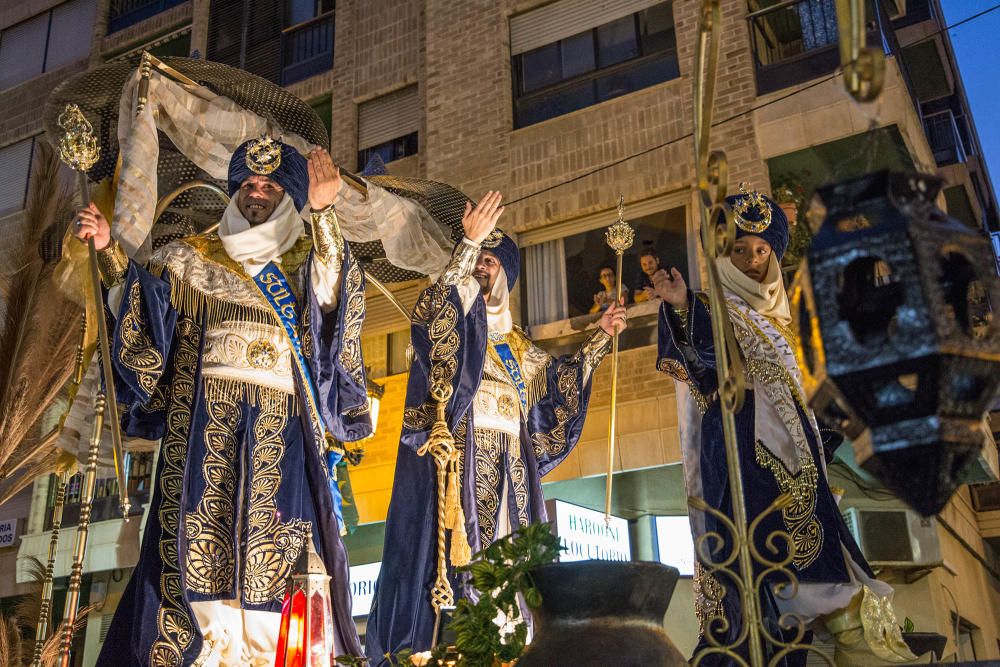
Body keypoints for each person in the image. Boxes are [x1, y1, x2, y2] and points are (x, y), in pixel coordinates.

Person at [75, 137, 370, 666]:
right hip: (203, 430)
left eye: (272, 184)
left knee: (278, 565)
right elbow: (149, 312)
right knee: (191, 554)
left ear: (290, 194)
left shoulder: (308, 261)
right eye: (250, 184)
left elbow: (334, 313)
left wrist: (325, 213)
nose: (258, 193)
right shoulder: (190, 258)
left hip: (281, 435)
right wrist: (109, 253)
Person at [652, 188, 918, 666]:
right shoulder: (714, 308)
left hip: (800, 465)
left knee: (817, 566)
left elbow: (812, 401)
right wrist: (680, 307)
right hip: (743, 453)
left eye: (761, 250)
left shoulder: (785, 323)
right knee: (760, 568)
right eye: (738, 250)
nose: (752, 261)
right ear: (723, 255)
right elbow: (707, 364)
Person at [363, 191, 627, 665]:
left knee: (510, 561)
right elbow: (432, 318)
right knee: (456, 562)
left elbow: (555, 394)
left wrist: (600, 340)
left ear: (505, 273)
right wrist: (466, 244)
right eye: (478, 260)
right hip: (455, 467)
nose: (482, 267)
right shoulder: (453, 319)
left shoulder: (521, 348)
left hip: (510, 472)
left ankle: (512, 643)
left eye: (490, 260)